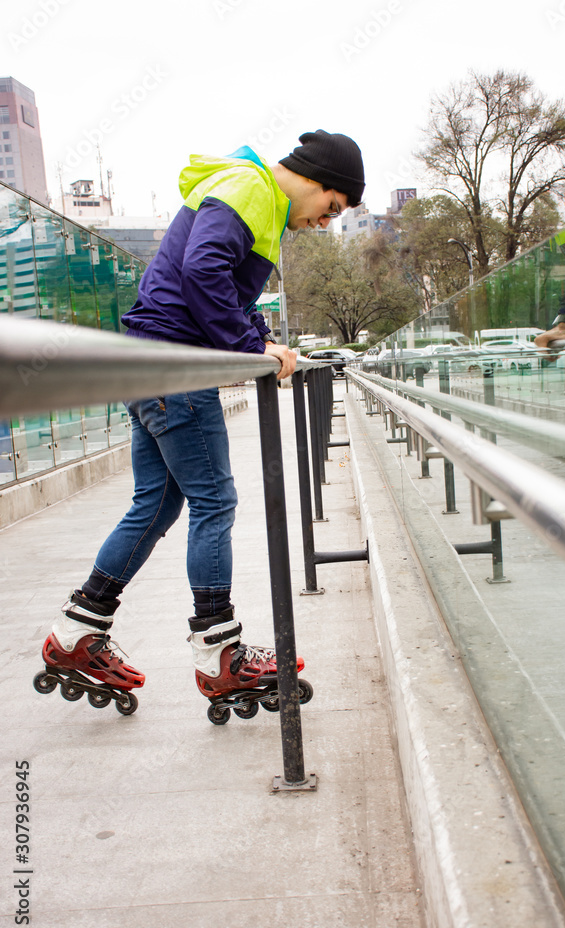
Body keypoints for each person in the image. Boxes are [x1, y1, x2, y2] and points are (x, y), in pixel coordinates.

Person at [38, 130, 365, 717]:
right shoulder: (252, 187)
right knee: (214, 500)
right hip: (174, 364)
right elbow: (202, 270)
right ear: (315, 179)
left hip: (150, 361)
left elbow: (215, 282)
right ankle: (219, 650)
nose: (324, 222)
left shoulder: (254, 195)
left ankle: (75, 637)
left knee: (156, 505)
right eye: (332, 208)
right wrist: (252, 344)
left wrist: (256, 339)